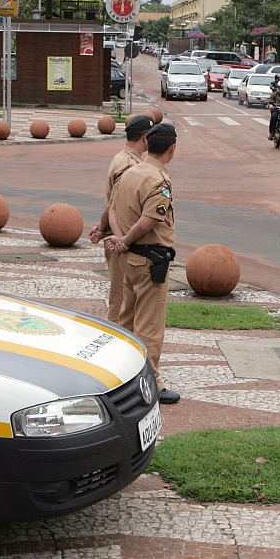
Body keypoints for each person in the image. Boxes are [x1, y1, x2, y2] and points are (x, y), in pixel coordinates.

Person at [106, 124, 181, 404]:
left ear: (147, 142)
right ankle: (150, 384)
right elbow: (149, 221)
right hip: (150, 259)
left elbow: (112, 208)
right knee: (149, 323)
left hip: (128, 260)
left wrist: (119, 238)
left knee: (126, 318)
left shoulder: (130, 172)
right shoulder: (158, 181)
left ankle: (117, 373)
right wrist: (125, 238)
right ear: (172, 149)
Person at [89, 115, 152, 323]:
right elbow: (112, 205)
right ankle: (114, 343)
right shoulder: (127, 165)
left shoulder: (123, 158)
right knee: (120, 299)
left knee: (124, 297)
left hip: (117, 236)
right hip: (119, 240)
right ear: (145, 138)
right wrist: (112, 235)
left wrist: (101, 228)